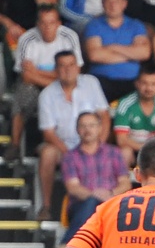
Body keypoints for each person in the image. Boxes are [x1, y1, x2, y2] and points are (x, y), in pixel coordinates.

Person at [37, 50, 111, 221]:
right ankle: (46, 206)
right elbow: (48, 133)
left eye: (71, 65)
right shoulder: (47, 94)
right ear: (56, 70)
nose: (67, 69)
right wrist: (71, 154)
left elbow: (104, 117)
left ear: (78, 67)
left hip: (93, 141)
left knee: (112, 154)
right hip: (62, 146)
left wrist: (100, 146)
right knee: (47, 153)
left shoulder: (91, 83)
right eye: (62, 66)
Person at [6, 4, 82, 165]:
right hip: (39, 85)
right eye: (43, 23)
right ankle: (14, 144)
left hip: (63, 84)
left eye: (51, 22)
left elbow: (75, 72)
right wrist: (57, 74)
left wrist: (38, 72)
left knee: (74, 90)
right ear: (37, 24)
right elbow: (26, 77)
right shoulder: (27, 39)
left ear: (58, 23)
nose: (47, 27)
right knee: (22, 94)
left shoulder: (69, 37)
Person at [61, 112, 131, 243]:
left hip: (111, 202)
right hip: (81, 204)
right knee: (92, 203)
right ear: (77, 130)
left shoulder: (114, 153)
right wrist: (94, 195)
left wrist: (109, 194)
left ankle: (68, 243)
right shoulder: (70, 156)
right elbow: (73, 187)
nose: (87, 130)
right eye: (83, 126)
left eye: (92, 125)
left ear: (100, 128)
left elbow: (125, 183)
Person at [84, 0, 151, 103]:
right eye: (109, 1)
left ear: (124, 4)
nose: (112, 5)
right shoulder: (94, 25)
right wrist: (131, 56)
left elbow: (144, 53)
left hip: (132, 81)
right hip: (101, 80)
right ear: (102, 3)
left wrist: (113, 47)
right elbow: (94, 55)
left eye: (116, 1)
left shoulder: (136, 25)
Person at [113, 65, 155, 167]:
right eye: (144, 83)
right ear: (137, 84)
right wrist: (146, 148)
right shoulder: (125, 103)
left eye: (153, 84)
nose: (149, 88)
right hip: (131, 147)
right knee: (125, 152)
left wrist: (152, 150)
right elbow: (121, 140)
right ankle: (124, 182)